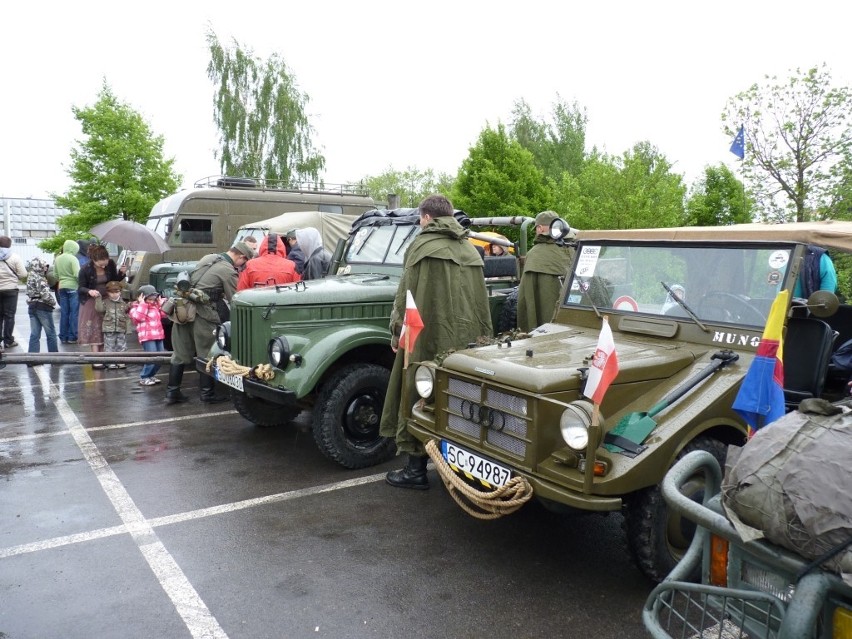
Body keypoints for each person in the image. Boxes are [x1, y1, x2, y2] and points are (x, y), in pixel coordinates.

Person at [380, 194, 493, 489]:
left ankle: (416, 468)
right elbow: (482, 304)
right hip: (468, 340)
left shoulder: (422, 245)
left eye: (420, 218)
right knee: (459, 397)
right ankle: (458, 469)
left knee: (417, 392)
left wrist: (396, 332)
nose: (420, 222)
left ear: (427, 217)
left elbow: (405, 295)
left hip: (427, 335)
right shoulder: (471, 249)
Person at [166, 242, 253, 405]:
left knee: (179, 353)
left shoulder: (208, 257)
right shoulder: (227, 270)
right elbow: (236, 297)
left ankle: (172, 392)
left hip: (183, 310)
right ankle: (207, 394)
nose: (243, 265)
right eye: (245, 261)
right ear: (241, 256)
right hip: (204, 314)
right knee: (207, 353)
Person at [516, 211, 574, 332]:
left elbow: (527, 298)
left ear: (540, 228)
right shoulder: (574, 246)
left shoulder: (536, 253)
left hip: (546, 325)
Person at [78, 244, 126, 368]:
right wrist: (89, 291)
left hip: (107, 299)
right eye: (101, 264)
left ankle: (106, 357)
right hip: (91, 301)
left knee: (107, 328)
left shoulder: (110, 263)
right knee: (94, 328)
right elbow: (80, 287)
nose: (104, 266)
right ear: (94, 260)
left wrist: (122, 274)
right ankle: (96, 359)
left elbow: (114, 280)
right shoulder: (85, 269)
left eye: (105, 263)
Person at [129, 284, 167, 386]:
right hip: (147, 337)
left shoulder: (155, 307)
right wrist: (142, 304)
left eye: (153, 299)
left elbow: (164, 315)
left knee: (160, 358)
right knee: (151, 357)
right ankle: (144, 377)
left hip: (158, 335)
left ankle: (151, 375)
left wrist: (160, 303)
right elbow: (138, 318)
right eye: (148, 299)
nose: (151, 301)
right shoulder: (135, 308)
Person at [25, 257, 58, 363]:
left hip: (32, 306)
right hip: (43, 307)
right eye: (43, 266)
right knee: (51, 333)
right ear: (38, 267)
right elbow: (45, 295)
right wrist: (53, 302)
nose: (45, 268)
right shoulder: (40, 278)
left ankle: (32, 359)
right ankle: (55, 358)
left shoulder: (30, 276)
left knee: (35, 334)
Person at [0, 235, 28, 349]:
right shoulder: (14, 257)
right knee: (9, 316)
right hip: (10, 290)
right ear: (9, 245)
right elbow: (23, 274)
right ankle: (8, 340)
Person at [95, 280, 130, 369]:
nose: (114, 294)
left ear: (120, 292)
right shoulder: (105, 302)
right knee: (109, 346)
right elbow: (99, 309)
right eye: (111, 292)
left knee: (121, 346)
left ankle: (121, 362)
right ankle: (110, 362)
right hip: (109, 328)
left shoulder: (123, 302)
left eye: (116, 292)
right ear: (108, 293)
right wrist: (98, 298)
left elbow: (127, 314)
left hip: (121, 327)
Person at [54, 239, 81, 344]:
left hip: (62, 287)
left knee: (64, 312)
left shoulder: (58, 258)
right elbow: (77, 274)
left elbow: (55, 275)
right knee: (74, 313)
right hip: (73, 287)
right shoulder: (73, 258)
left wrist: (62, 279)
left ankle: (63, 336)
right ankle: (72, 336)